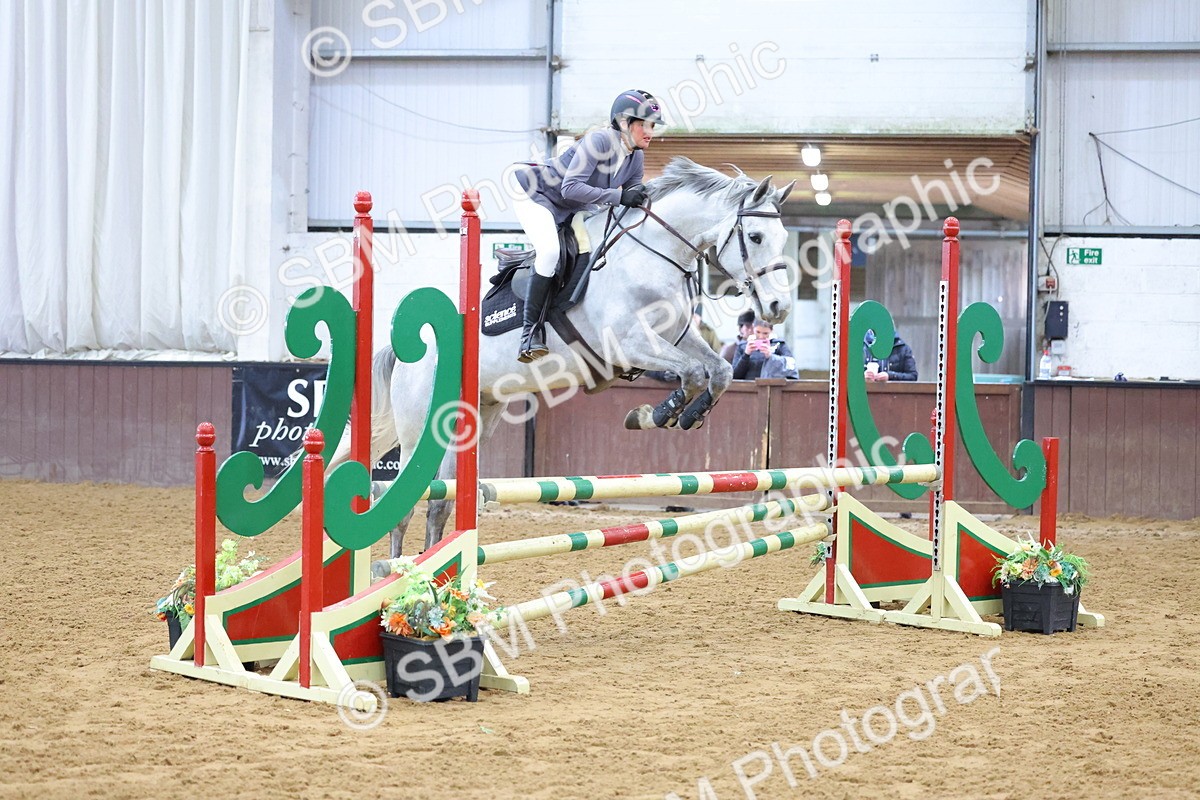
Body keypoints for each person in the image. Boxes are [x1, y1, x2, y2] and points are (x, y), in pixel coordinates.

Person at [511, 89, 664, 362]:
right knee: (549, 252)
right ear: (624, 123)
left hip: (574, 204)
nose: (650, 131)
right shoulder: (598, 141)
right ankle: (529, 334)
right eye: (644, 124)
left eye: (652, 126)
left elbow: (632, 198)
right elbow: (571, 187)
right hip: (537, 194)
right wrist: (619, 196)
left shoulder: (635, 157)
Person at [732, 318, 799, 380]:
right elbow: (735, 376)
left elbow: (791, 369)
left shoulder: (779, 345)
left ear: (771, 331)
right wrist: (746, 355)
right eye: (758, 332)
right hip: (748, 389)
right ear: (753, 328)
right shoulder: (742, 346)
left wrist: (771, 357)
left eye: (765, 333)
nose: (761, 336)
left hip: (773, 389)